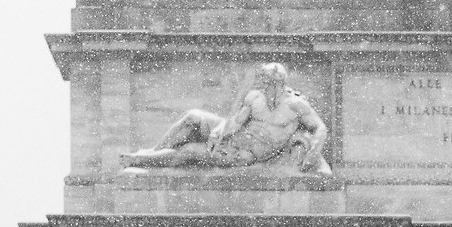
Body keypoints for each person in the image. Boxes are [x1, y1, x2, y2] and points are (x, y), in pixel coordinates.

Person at [124, 62, 331, 173]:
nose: (261, 85)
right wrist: (219, 131)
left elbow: (320, 128)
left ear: (277, 83)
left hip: (247, 153)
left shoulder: (296, 106)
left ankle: (143, 161)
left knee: (189, 151)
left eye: (266, 82)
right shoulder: (255, 97)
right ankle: (156, 151)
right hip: (234, 137)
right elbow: (237, 121)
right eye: (262, 81)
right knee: (193, 116)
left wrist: (314, 152)